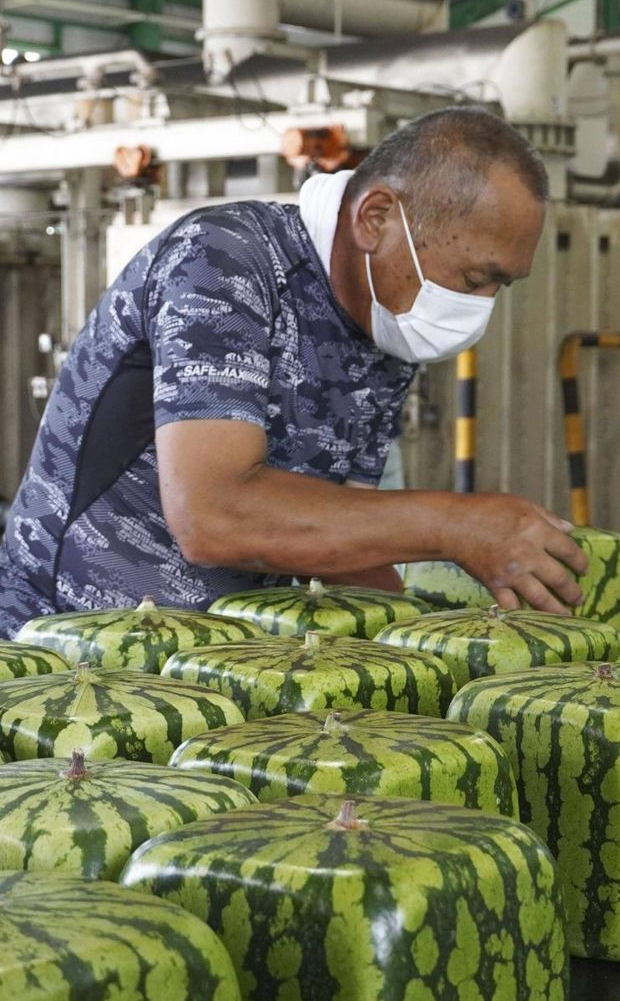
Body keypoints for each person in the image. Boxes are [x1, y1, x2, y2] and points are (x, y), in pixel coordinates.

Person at [0, 106, 585, 637]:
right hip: (71, 655)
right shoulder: (223, 260)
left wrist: (433, 648)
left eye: (499, 286)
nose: (479, 304)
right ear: (376, 217)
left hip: (222, 664)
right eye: (475, 278)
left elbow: (347, 540)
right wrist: (460, 526)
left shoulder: (385, 323)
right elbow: (213, 516)